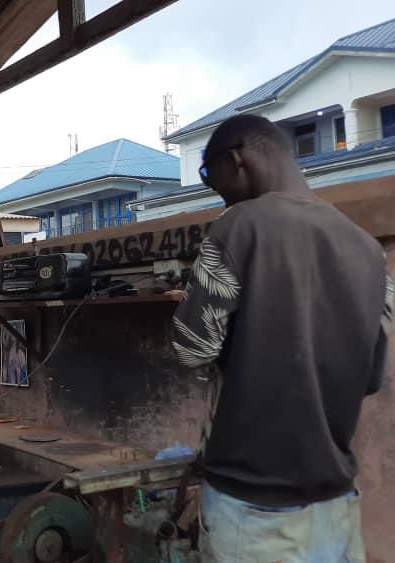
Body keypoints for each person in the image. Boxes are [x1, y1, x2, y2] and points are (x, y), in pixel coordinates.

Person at [171, 114, 393, 561]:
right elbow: (370, 376)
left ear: (236, 161)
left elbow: (192, 349)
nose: (217, 194)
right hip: (336, 503)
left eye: (210, 177)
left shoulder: (238, 226)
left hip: (252, 509)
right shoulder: (369, 250)